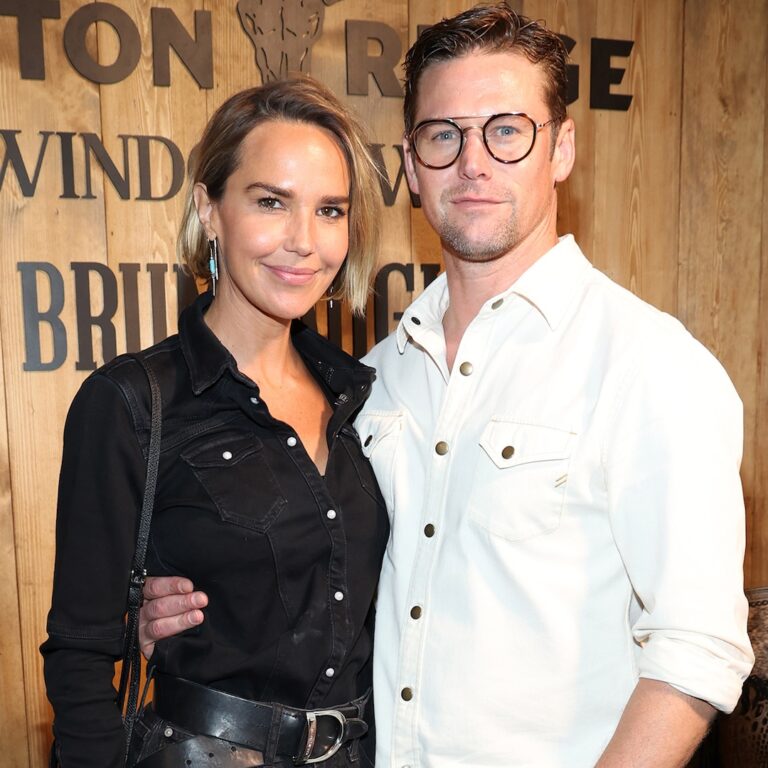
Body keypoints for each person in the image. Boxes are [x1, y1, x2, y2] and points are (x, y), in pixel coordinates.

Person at [138, 5, 754, 767]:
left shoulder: (650, 365)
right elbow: (326, 582)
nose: (473, 163)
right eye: (443, 135)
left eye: (507, 130)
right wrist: (187, 608)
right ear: (410, 162)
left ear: (561, 148)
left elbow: (696, 652)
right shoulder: (375, 377)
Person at [41, 75, 389, 768]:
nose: (304, 241)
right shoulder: (132, 402)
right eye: (271, 202)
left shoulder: (365, 397)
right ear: (209, 209)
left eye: (329, 210)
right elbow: (80, 658)